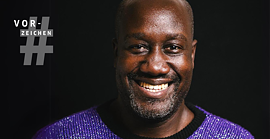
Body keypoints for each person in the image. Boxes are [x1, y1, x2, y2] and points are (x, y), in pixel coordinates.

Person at [33, 0, 254, 138]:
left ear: (192, 55)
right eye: (138, 47)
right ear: (116, 53)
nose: (155, 66)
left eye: (173, 48)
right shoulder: (58, 136)